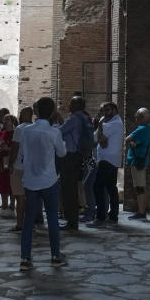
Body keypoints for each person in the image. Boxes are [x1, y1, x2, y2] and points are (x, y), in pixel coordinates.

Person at [18, 97, 67, 270]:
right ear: (53, 112)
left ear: (36, 111)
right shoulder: (54, 132)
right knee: (52, 218)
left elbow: (23, 152)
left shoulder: (27, 131)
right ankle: (55, 255)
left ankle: (25, 258)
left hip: (31, 180)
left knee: (29, 220)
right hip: (49, 180)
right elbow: (61, 153)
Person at [86, 101, 124, 228]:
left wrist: (100, 125)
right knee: (110, 188)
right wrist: (100, 127)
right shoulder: (107, 123)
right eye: (101, 111)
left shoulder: (115, 123)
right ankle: (112, 217)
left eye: (105, 110)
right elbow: (94, 139)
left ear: (113, 110)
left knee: (97, 187)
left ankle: (101, 218)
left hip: (108, 160)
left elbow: (102, 141)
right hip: (106, 159)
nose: (102, 113)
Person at [59, 95, 94, 231]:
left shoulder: (74, 119)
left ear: (77, 106)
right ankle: (72, 221)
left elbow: (60, 131)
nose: (69, 105)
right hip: (78, 156)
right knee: (72, 188)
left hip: (70, 156)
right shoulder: (84, 118)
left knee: (68, 190)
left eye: (71, 103)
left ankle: (71, 222)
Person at [124, 107, 150, 220]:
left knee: (140, 188)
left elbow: (127, 139)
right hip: (141, 161)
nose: (135, 116)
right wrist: (133, 143)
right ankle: (141, 212)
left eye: (137, 115)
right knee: (141, 187)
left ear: (141, 118)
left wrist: (132, 142)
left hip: (137, 162)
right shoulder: (147, 129)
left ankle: (141, 213)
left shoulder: (141, 129)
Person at [11, 105, 34, 234]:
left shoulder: (19, 129)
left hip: (19, 166)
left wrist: (10, 163)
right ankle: (31, 223)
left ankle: (20, 224)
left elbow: (15, 147)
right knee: (30, 197)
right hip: (31, 167)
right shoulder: (34, 128)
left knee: (20, 197)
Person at [0, 114, 15, 215]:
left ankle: (12, 205)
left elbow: (17, 147)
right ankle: (4, 205)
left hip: (11, 160)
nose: (5, 121)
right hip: (2, 161)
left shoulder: (15, 133)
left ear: (12, 121)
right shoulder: (2, 132)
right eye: (4, 120)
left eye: (7, 120)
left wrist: (7, 148)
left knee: (12, 184)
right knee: (3, 183)